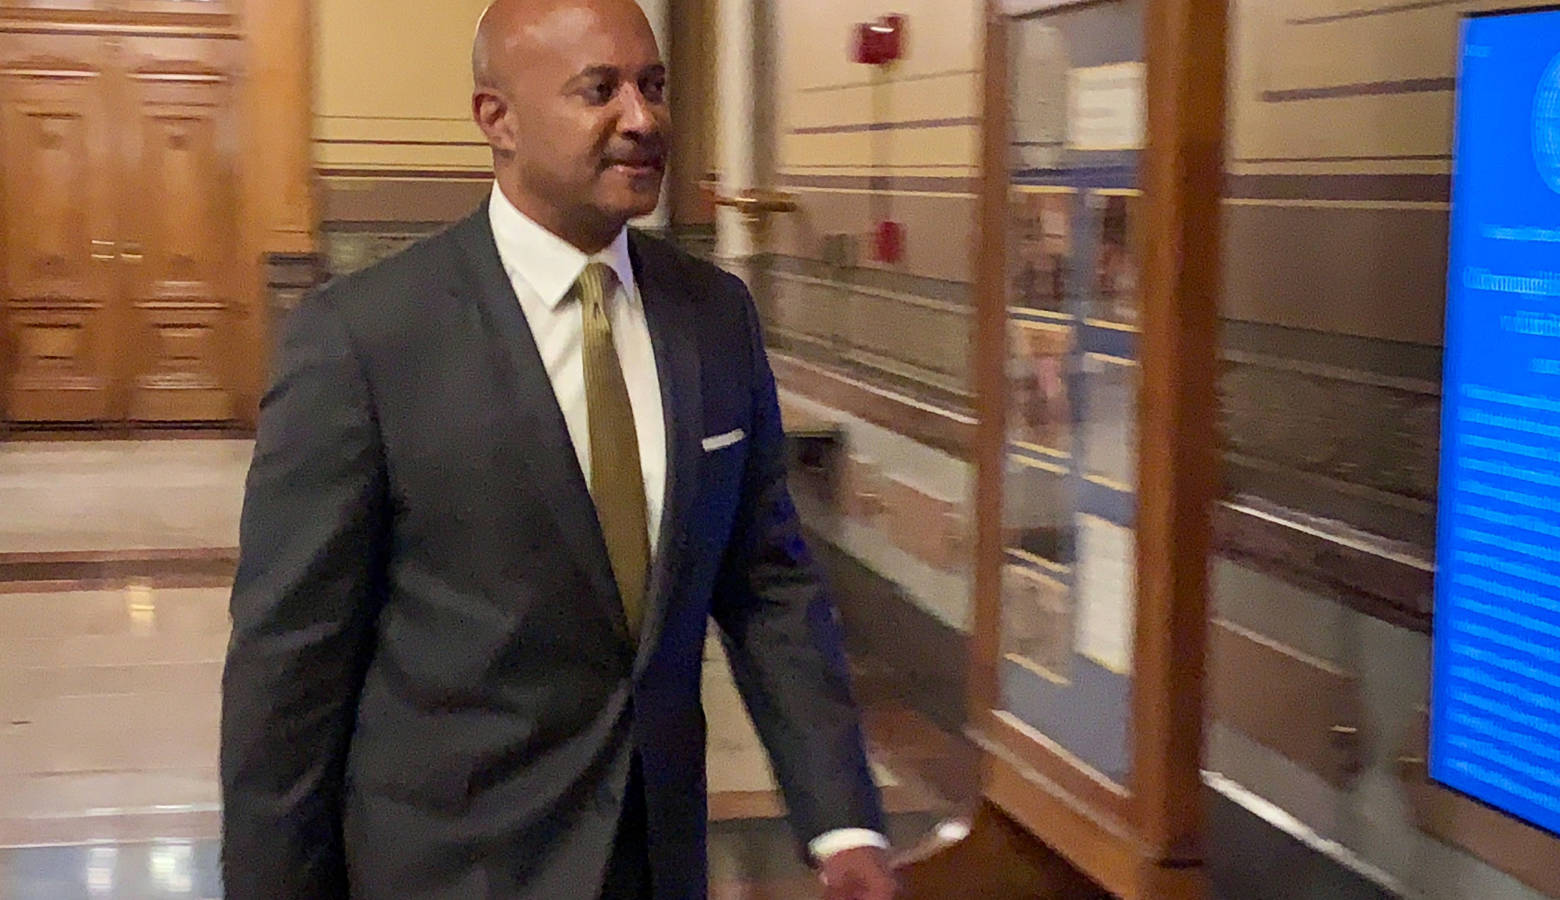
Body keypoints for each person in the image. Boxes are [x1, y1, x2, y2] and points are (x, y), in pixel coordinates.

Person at [218, 0, 896, 897]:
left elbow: (767, 580)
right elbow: (289, 669)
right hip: (453, 869)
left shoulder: (712, 317)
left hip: (657, 861)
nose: (643, 119)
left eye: (653, 87)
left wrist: (840, 819)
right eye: (599, 90)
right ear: (495, 118)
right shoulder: (366, 339)